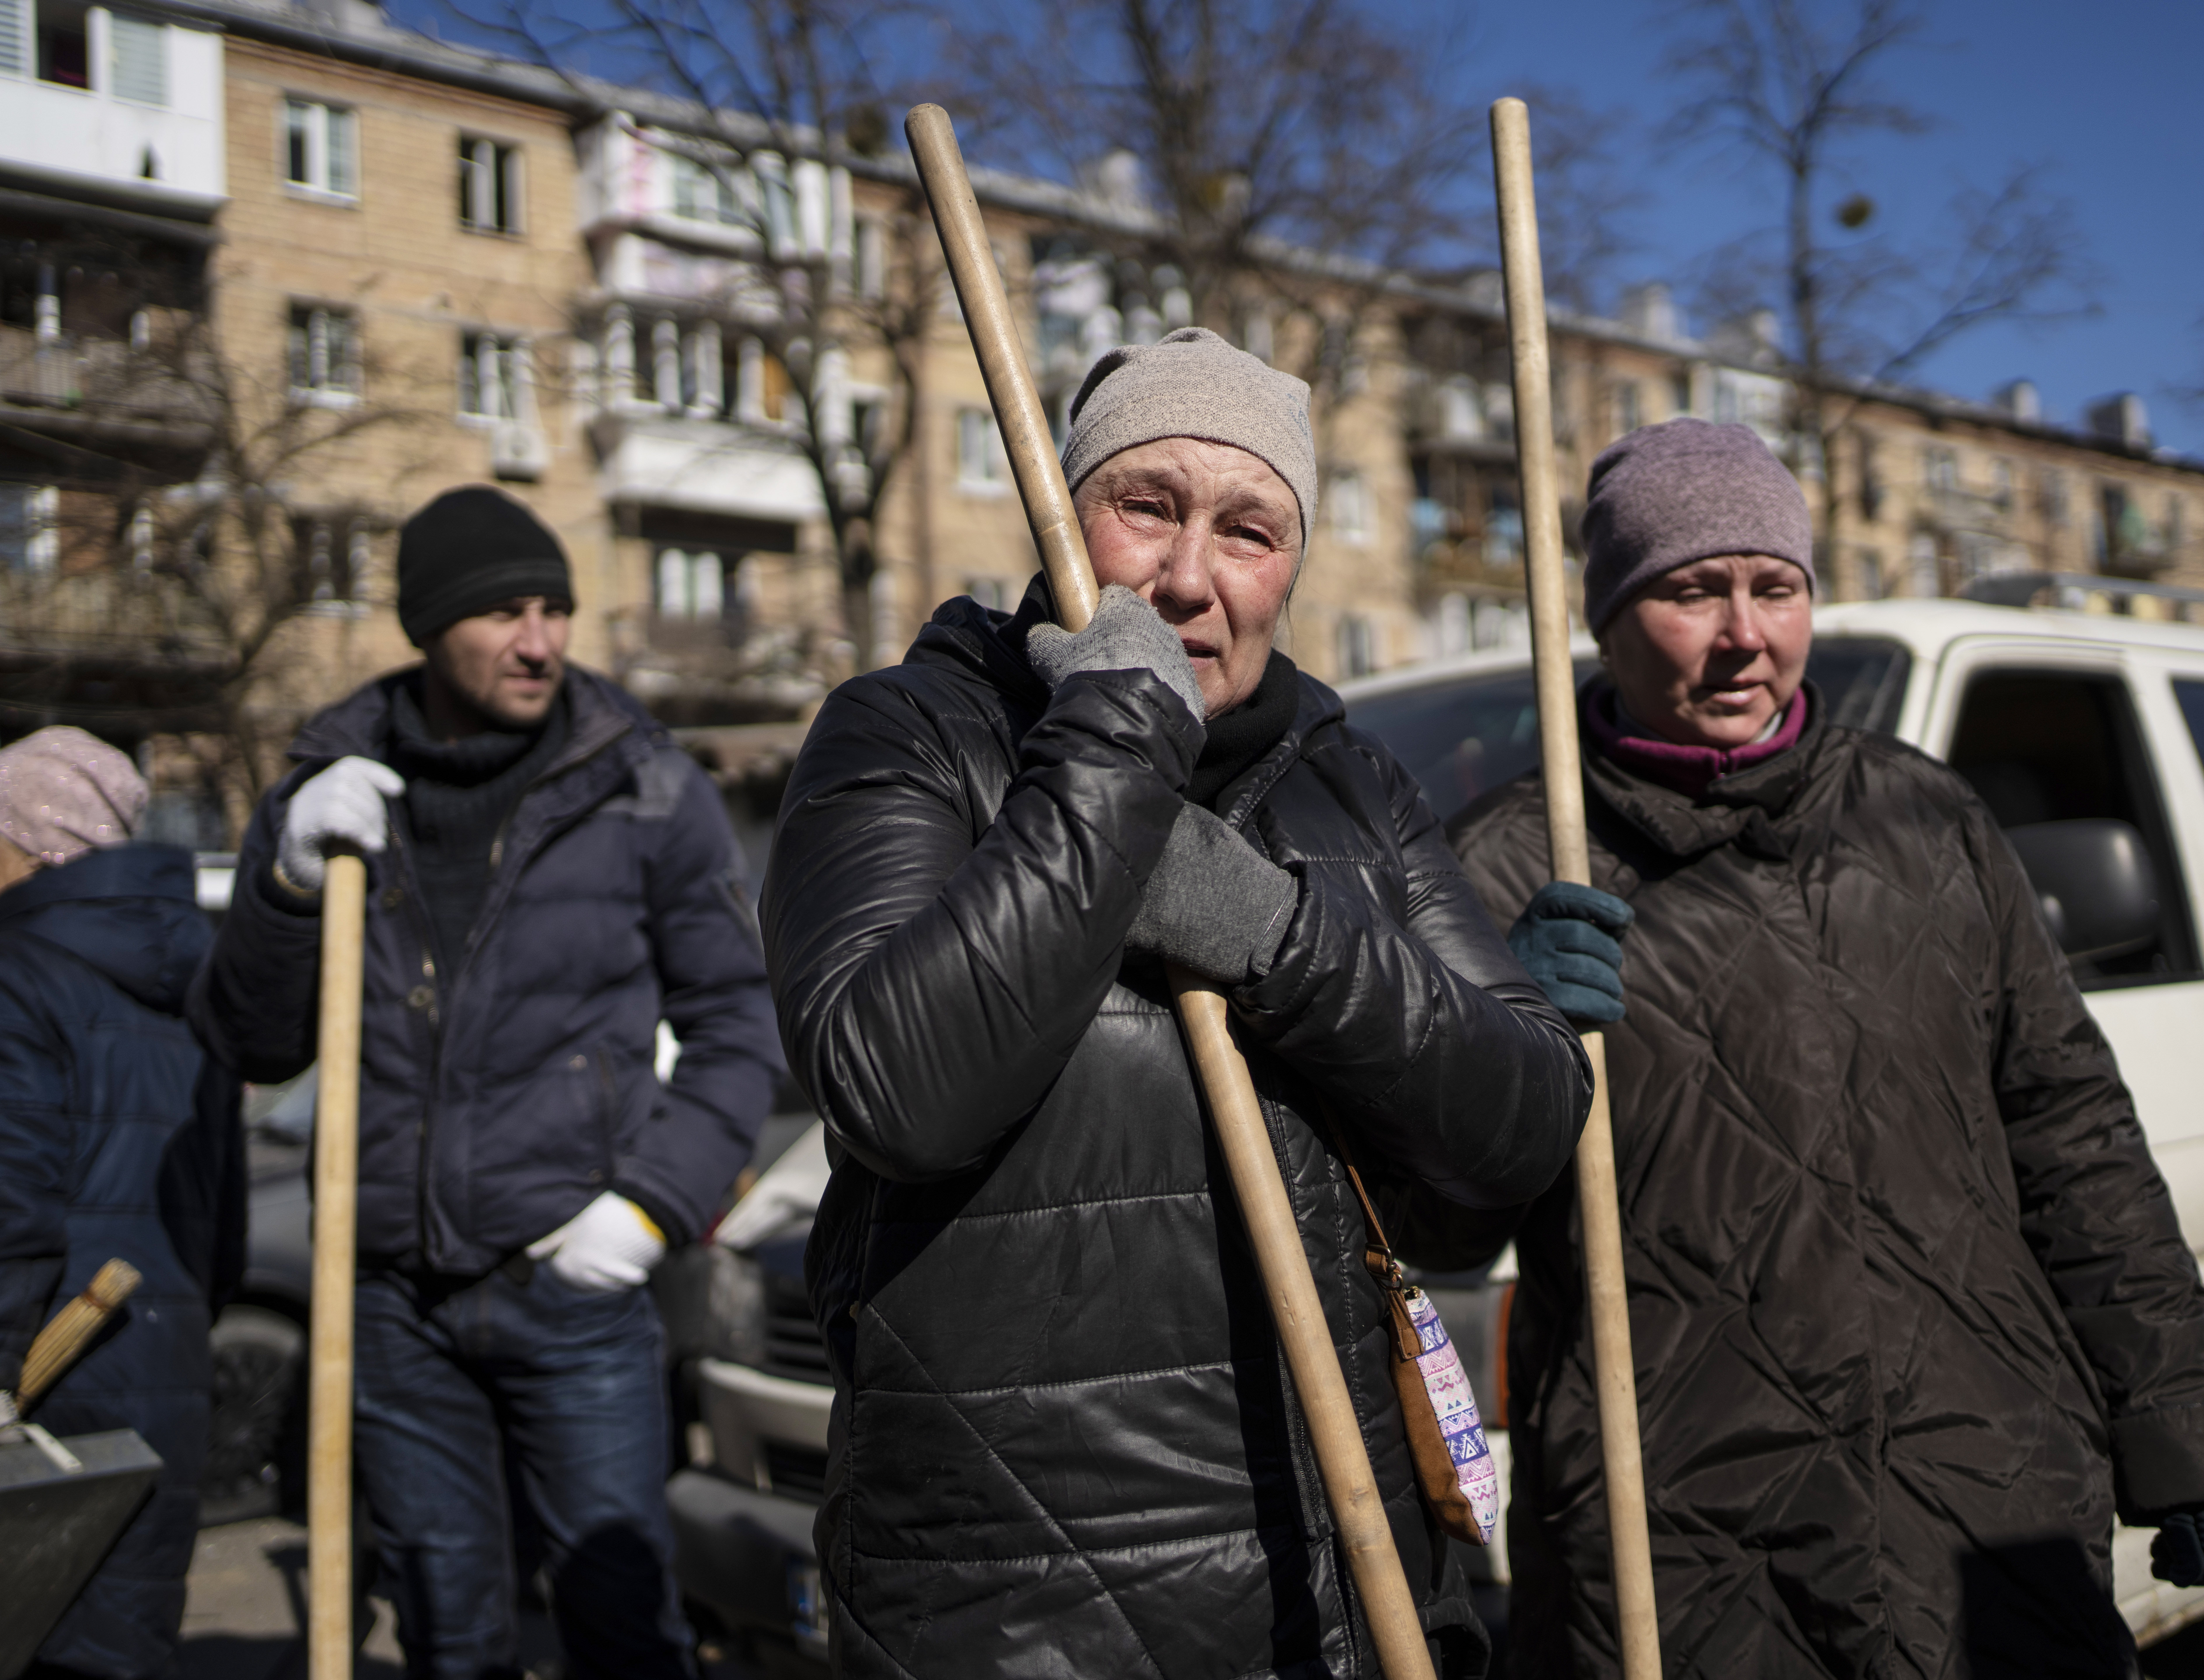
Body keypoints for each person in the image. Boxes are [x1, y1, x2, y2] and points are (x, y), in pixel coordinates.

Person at [762, 327, 1591, 1677]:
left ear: (1295, 566)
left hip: (1349, 1598)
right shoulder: (914, 736)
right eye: (1145, 506)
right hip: (1023, 1620)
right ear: (1061, 512)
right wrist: (1115, 751)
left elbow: (1516, 1129)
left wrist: (1272, 932)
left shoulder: (1354, 789)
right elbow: (893, 1094)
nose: (1191, 578)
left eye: (1251, 530)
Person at [1424, 419, 2204, 1678]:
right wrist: (1493, 1057)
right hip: (1686, 1542)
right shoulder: (1505, 865)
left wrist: (2186, 1421)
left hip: (1980, 1494)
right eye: (1689, 591)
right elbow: (1429, 1237)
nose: (1744, 636)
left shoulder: (1926, 818)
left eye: (1775, 589)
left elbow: (2073, 1135)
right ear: (1607, 615)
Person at [188, 487, 783, 1678]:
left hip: (571, 1281)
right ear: (426, 625)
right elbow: (253, 1040)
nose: (541, 641)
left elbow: (738, 1023)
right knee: (451, 1628)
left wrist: (647, 1210)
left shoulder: (644, 787)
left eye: (556, 609)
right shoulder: (330, 788)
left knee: (621, 1618)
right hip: (394, 1303)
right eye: (506, 612)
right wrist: (291, 880)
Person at [0, 727, 244, 1680]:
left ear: (35, 845)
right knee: (120, 1648)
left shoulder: (15, 974)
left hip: (42, 1388)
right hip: (160, 1375)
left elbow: (8, 1201)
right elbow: (220, 1225)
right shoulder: (208, 982)